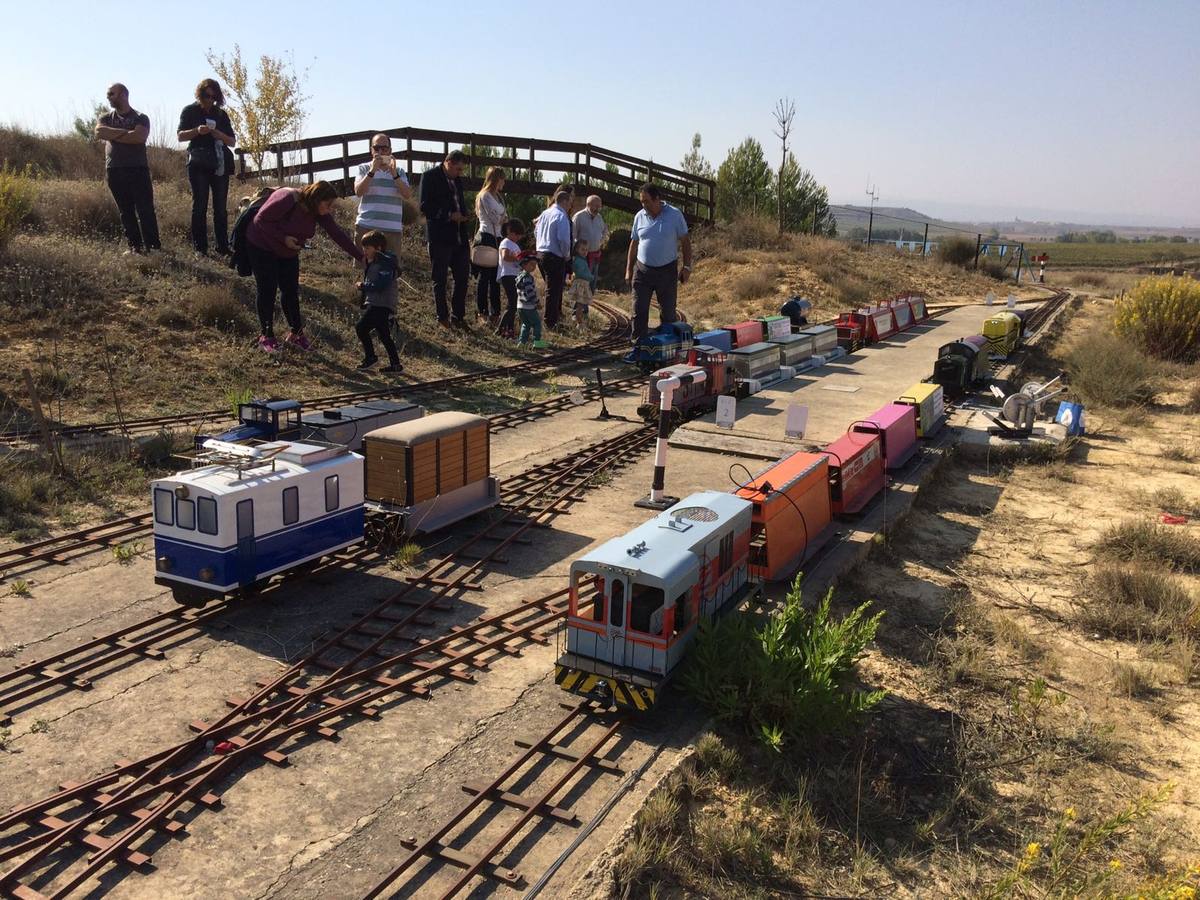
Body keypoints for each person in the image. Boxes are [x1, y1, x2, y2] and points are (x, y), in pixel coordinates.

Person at [245, 181, 363, 354]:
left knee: (291, 290)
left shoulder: (317, 211)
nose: (329, 209)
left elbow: (337, 234)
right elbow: (261, 220)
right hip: (261, 245)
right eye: (327, 204)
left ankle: (296, 334)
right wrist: (284, 238)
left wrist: (361, 257)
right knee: (267, 289)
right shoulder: (288, 198)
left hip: (287, 252)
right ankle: (266, 336)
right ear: (316, 198)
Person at [624, 183, 692, 362]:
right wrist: (628, 269)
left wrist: (687, 267)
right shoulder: (639, 217)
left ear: (657, 199)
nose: (643, 205)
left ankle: (667, 350)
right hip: (643, 270)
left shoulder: (674, 214)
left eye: (646, 201)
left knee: (668, 313)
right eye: (641, 201)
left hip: (667, 271)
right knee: (638, 311)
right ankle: (638, 349)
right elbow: (634, 243)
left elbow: (685, 241)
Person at [94, 83, 160, 255]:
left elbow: (139, 137)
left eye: (111, 94)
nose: (108, 97)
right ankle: (134, 247)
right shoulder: (105, 117)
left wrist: (114, 134)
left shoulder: (140, 117)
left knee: (145, 209)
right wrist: (126, 133)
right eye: (108, 94)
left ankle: (153, 248)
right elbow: (100, 132)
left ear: (123, 95)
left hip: (137, 169)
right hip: (114, 169)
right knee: (125, 211)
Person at [177, 79, 236, 257]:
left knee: (220, 207)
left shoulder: (221, 115)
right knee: (200, 205)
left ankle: (223, 246)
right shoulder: (190, 111)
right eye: (206, 95)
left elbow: (232, 141)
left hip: (219, 163)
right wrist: (197, 131)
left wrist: (219, 134)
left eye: (213, 96)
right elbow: (180, 136)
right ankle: (200, 248)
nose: (210, 99)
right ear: (200, 94)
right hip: (198, 162)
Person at [418, 149, 471, 328]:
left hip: (459, 236)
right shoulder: (430, 176)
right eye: (458, 169)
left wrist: (464, 215)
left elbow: (459, 202)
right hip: (440, 236)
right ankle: (442, 317)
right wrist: (448, 215)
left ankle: (458, 317)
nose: (459, 173)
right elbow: (425, 206)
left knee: (462, 278)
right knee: (440, 279)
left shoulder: (456, 180)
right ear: (448, 163)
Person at [354, 132, 411, 253]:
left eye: (384, 148)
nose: (380, 152)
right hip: (366, 227)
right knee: (367, 269)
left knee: (391, 269)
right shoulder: (364, 168)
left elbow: (407, 194)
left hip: (392, 230)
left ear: (390, 150)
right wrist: (372, 171)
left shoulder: (399, 171)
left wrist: (394, 174)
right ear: (371, 150)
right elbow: (358, 192)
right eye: (376, 148)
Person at [355, 231, 403, 373]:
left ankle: (371, 358)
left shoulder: (385, 263)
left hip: (381, 304)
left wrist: (363, 286)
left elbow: (381, 285)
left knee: (361, 328)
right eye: (364, 248)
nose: (365, 251)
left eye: (368, 248)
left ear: (379, 248)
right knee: (384, 335)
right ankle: (396, 365)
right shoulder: (379, 262)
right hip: (379, 303)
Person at [473, 166, 507, 325]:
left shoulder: (498, 196)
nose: (504, 182)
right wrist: (502, 217)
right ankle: (482, 312)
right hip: (487, 237)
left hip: (497, 238)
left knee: (495, 278)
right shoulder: (485, 196)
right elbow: (496, 219)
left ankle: (495, 312)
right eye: (502, 179)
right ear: (496, 179)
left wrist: (502, 217)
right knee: (484, 277)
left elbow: (502, 217)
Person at [535, 190, 572, 328]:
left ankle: (550, 320)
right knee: (554, 290)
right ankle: (550, 322)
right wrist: (566, 255)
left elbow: (536, 231)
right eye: (569, 203)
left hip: (542, 254)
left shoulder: (545, 213)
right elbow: (563, 239)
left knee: (550, 288)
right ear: (564, 201)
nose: (570, 206)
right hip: (555, 256)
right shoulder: (561, 216)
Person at [496, 218, 525, 338]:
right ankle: (501, 329)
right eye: (517, 235)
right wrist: (518, 257)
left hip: (515, 275)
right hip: (507, 275)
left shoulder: (515, 245)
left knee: (514, 304)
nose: (518, 238)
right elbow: (505, 256)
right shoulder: (506, 242)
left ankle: (509, 329)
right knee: (512, 303)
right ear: (511, 232)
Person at [572, 196, 608, 279]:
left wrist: (600, 242)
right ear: (588, 204)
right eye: (596, 206)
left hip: (595, 255)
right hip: (582, 258)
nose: (598, 209)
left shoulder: (599, 217)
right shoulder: (579, 217)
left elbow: (604, 230)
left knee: (593, 281)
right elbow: (572, 235)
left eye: (599, 207)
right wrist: (574, 255)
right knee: (583, 282)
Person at [515, 251, 545, 348]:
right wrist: (536, 303)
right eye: (531, 264)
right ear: (524, 264)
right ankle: (537, 342)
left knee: (526, 324)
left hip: (520, 306)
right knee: (537, 323)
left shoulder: (519, 276)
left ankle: (522, 342)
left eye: (535, 265)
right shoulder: (527, 278)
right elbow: (530, 292)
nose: (533, 267)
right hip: (529, 306)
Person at [568, 239, 596, 329]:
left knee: (581, 304)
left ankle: (579, 322)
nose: (585, 252)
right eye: (582, 249)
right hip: (581, 284)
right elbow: (580, 273)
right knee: (579, 305)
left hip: (583, 284)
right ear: (577, 250)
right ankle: (579, 322)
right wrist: (590, 277)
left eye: (586, 250)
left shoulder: (582, 260)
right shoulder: (579, 261)